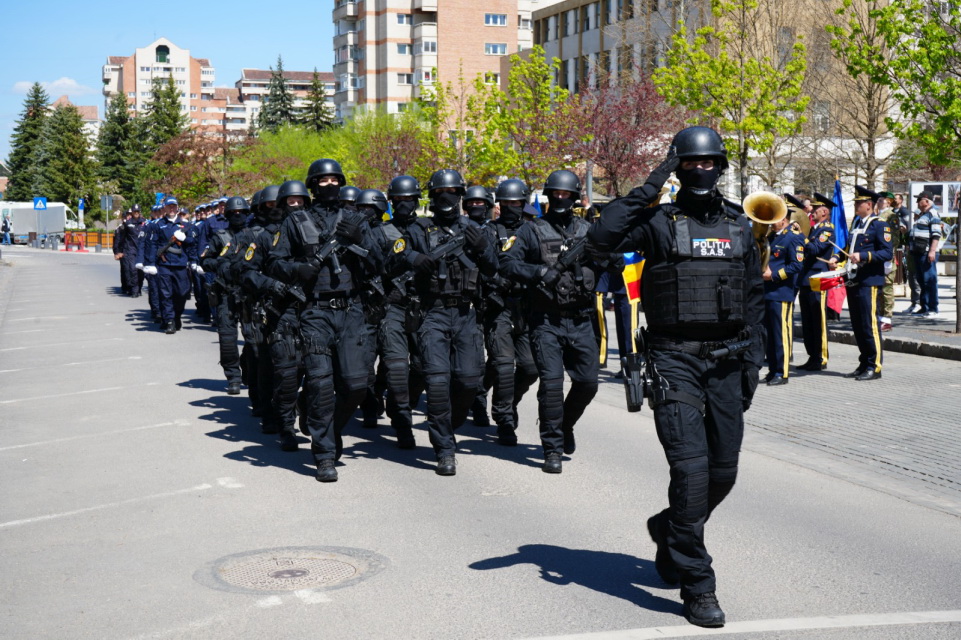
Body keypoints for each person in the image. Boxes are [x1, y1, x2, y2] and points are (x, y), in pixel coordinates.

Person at [588, 126, 765, 628]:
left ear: (721, 167)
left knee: (723, 473)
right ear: (679, 168)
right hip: (673, 360)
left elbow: (753, 297)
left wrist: (752, 364)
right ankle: (698, 583)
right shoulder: (658, 223)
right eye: (691, 163)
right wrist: (653, 181)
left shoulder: (739, 224)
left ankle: (670, 528)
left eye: (709, 163)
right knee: (690, 472)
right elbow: (601, 236)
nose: (701, 170)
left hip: (728, 362)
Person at [267, 160, 382, 483]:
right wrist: (299, 269)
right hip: (315, 312)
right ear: (313, 185)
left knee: (356, 385)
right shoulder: (296, 221)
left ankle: (327, 427)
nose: (329, 185)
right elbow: (275, 263)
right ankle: (324, 454)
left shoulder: (356, 219)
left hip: (352, 311)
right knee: (320, 384)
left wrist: (360, 239)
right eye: (323, 180)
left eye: (334, 180)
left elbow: (378, 263)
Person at [500, 169, 605, 474]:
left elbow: (610, 261)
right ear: (548, 196)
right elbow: (507, 263)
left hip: (582, 320)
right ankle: (552, 447)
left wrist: (605, 256)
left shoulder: (588, 230)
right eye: (555, 194)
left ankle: (566, 424)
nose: (560, 198)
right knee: (552, 385)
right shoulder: (531, 230)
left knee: (588, 383)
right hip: (546, 319)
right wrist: (539, 273)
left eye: (566, 194)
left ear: (574, 197)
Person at [400, 169, 500, 476]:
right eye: (441, 192)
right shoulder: (418, 229)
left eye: (453, 192)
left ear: (461, 196)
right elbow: (394, 256)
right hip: (432, 312)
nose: (447, 197)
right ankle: (444, 448)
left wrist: (483, 248)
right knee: (437, 382)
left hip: (466, 313)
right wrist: (414, 259)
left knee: (469, 381)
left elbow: (493, 268)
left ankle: (451, 424)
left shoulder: (474, 229)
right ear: (432, 196)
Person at [829, 186, 892, 380]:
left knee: (869, 324)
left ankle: (875, 365)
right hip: (854, 279)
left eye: (859, 203)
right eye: (856, 202)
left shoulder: (879, 225)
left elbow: (887, 252)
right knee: (857, 324)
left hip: (869, 281)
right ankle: (864, 362)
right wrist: (836, 257)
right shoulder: (857, 223)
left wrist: (863, 256)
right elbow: (849, 247)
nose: (856, 205)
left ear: (869, 205)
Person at [200, 196, 249, 395]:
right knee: (228, 340)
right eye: (233, 213)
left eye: (241, 212)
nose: (237, 216)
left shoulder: (255, 235)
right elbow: (205, 261)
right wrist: (221, 265)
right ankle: (233, 377)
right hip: (226, 293)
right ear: (227, 215)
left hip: (249, 294)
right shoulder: (220, 237)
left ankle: (249, 370)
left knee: (254, 340)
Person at [762, 205, 805, 385]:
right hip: (768, 292)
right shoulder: (771, 237)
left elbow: (796, 265)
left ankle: (782, 372)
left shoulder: (793, 237)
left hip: (782, 292)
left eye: (775, 219)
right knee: (770, 335)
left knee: (781, 335)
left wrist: (773, 276)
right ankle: (773, 370)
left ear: (784, 219)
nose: (771, 223)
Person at [794, 193, 837, 371]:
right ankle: (812, 356)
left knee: (818, 320)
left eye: (816, 209)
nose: (812, 211)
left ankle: (821, 357)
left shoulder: (827, 230)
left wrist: (800, 234)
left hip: (819, 279)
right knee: (808, 321)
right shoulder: (813, 229)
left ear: (824, 212)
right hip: (806, 278)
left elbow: (814, 249)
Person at [144, 197, 198, 335]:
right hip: (164, 264)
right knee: (165, 294)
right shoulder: (158, 225)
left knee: (182, 293)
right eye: (169, 206)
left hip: (181, 264)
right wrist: (151, 264)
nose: (172, 209)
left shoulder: (186, 225)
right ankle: (169, 321)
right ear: (165, 208)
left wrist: (186, 242)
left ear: (177, 208)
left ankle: (177, 315)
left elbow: (193, 244)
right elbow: (153, 244)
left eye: (174, 206)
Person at [907, 190, 942, 318]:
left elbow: (936, 234)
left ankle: (933, 309)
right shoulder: (922, 214)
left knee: (929, 281)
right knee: (921, 280)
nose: (917, 202)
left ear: (926, 201)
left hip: (926, 253)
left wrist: (932, 251)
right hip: (918, 252)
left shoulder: (933, 213)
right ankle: (924, 307)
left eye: (919, 200)